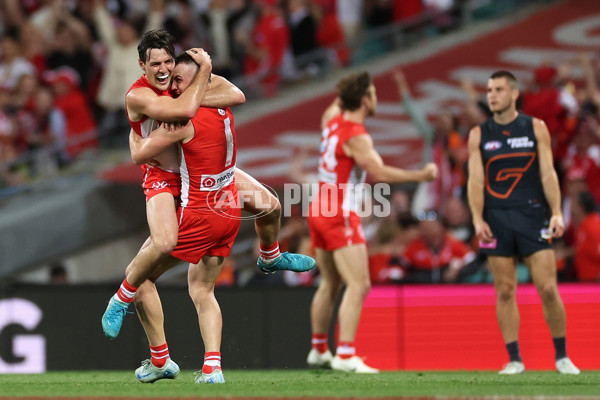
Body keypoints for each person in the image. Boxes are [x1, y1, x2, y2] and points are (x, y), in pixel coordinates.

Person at [101, 30, 314, 381]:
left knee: (271, 206)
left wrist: (199, 78)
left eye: (168, 61)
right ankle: (122, 300)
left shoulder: (183, 84)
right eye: (155, 64)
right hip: (161, 175)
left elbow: (237, 93)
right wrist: (203, 76)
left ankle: (270, 256)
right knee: (164, 244)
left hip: (204, 172)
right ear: (142, 65)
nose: (164, 69)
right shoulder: (142, 94)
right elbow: (142, 150)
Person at [306, 71, 438, 373]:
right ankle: (346, 354)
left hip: (318, 208)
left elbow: (340, 100)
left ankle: (318, 349)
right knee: (360, 284)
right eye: (374, 94)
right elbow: (378, 172)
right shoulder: (355, 133)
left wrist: (349, 87)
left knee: (330, 283)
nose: (377, 98)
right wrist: (420, 175)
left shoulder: (331, 119)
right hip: (339, 212)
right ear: (365, 99)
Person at [127, 52, 242, 384]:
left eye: (178, 80)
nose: (172, 84)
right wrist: (204, 75)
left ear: (195, 83)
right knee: (203, 289)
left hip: (200, 213)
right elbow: (237, 94)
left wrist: (135, 138)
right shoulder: (224, 108)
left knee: (139, 278)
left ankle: (160, 358)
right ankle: (213, 368)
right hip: (229, 207)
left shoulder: (183, 120)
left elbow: (139, 154)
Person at [466, 70, 580, 375]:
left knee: (548, 289)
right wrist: (477, 219)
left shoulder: (535, 128)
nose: (492, 95)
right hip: (495, 219)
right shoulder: (478, 134)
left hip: (533, 216)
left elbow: (547, 173)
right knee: (504, 289)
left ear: (514, 94)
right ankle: (514, 359)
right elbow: (475, 181)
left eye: (499, 89)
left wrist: (556, 211)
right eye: (489, 89)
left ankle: (562, 356)